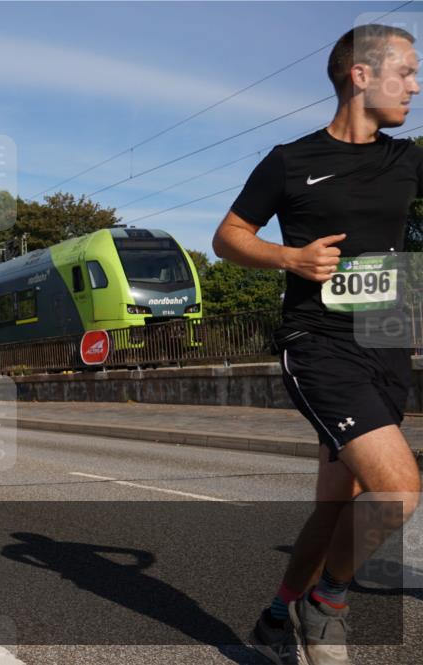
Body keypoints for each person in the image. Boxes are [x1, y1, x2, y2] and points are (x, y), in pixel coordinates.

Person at [212, 24, 421, 665]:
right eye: (405, 72)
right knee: (399, 489)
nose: (414, 86)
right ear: (361, 76)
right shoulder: (291, 161)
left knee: (337, 507)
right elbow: (228, 236)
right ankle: (327, 602)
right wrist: (290, 258)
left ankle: (276, 618)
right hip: (320, 346)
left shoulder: (407, 159)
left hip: (386, 347)